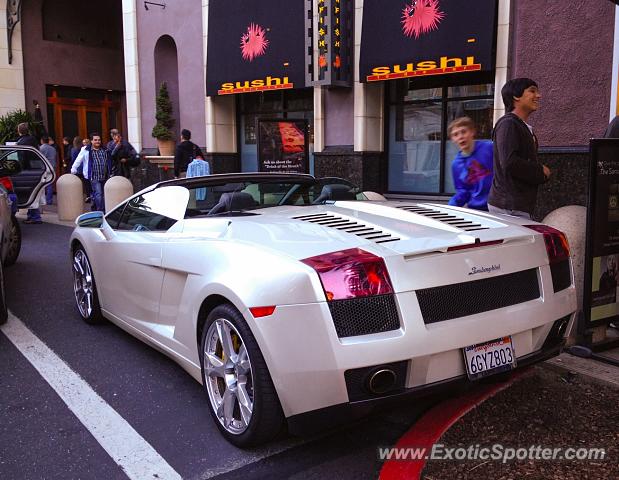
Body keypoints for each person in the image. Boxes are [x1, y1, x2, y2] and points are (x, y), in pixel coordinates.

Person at [487, 78, 551, 220]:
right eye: (532, 91)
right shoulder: (508, 124)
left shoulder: (518, 125)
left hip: (516, 205)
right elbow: (510, 162)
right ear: (516, 96)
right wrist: (540, 171)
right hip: (509, 208)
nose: (538, 96)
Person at [447, 117, 493, 210]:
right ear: (453, 139)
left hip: (498, 207)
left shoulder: (490, 148)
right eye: (455, 134)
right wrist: (450, 208)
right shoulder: (456, 165)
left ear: (472, 132)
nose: (460, 137)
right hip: (477, 210)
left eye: (463, 132)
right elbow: (463, 191)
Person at [71, 132, 112, 212]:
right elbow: (78, 160)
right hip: (93, 176)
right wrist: (74, 169)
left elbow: (109, 161)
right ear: (91, 141)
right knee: (99, 194)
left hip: (104, 176)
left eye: (99, 140)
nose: (97, 141)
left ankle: (94, 207)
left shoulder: (105, 150)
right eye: (95, 140)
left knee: (99, 194)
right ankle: (101, 212)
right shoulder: (86, 150)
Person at [16, 123, 43, 224]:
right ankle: (33, 215)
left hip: (27, 170)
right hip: (37, 169)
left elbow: (21, 158)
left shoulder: (21, 142)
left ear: (19, 131)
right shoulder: (33, 139)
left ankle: (35, 217)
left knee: (29, 193)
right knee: (34, 193)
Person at [39, 136, 57, 206]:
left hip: (44, 168)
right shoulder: (53, 148)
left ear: (42, 141)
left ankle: (43, 200)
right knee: (50, 184)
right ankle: (49, 200)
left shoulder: (41, 148)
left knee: (42, 184)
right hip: (52, 167)